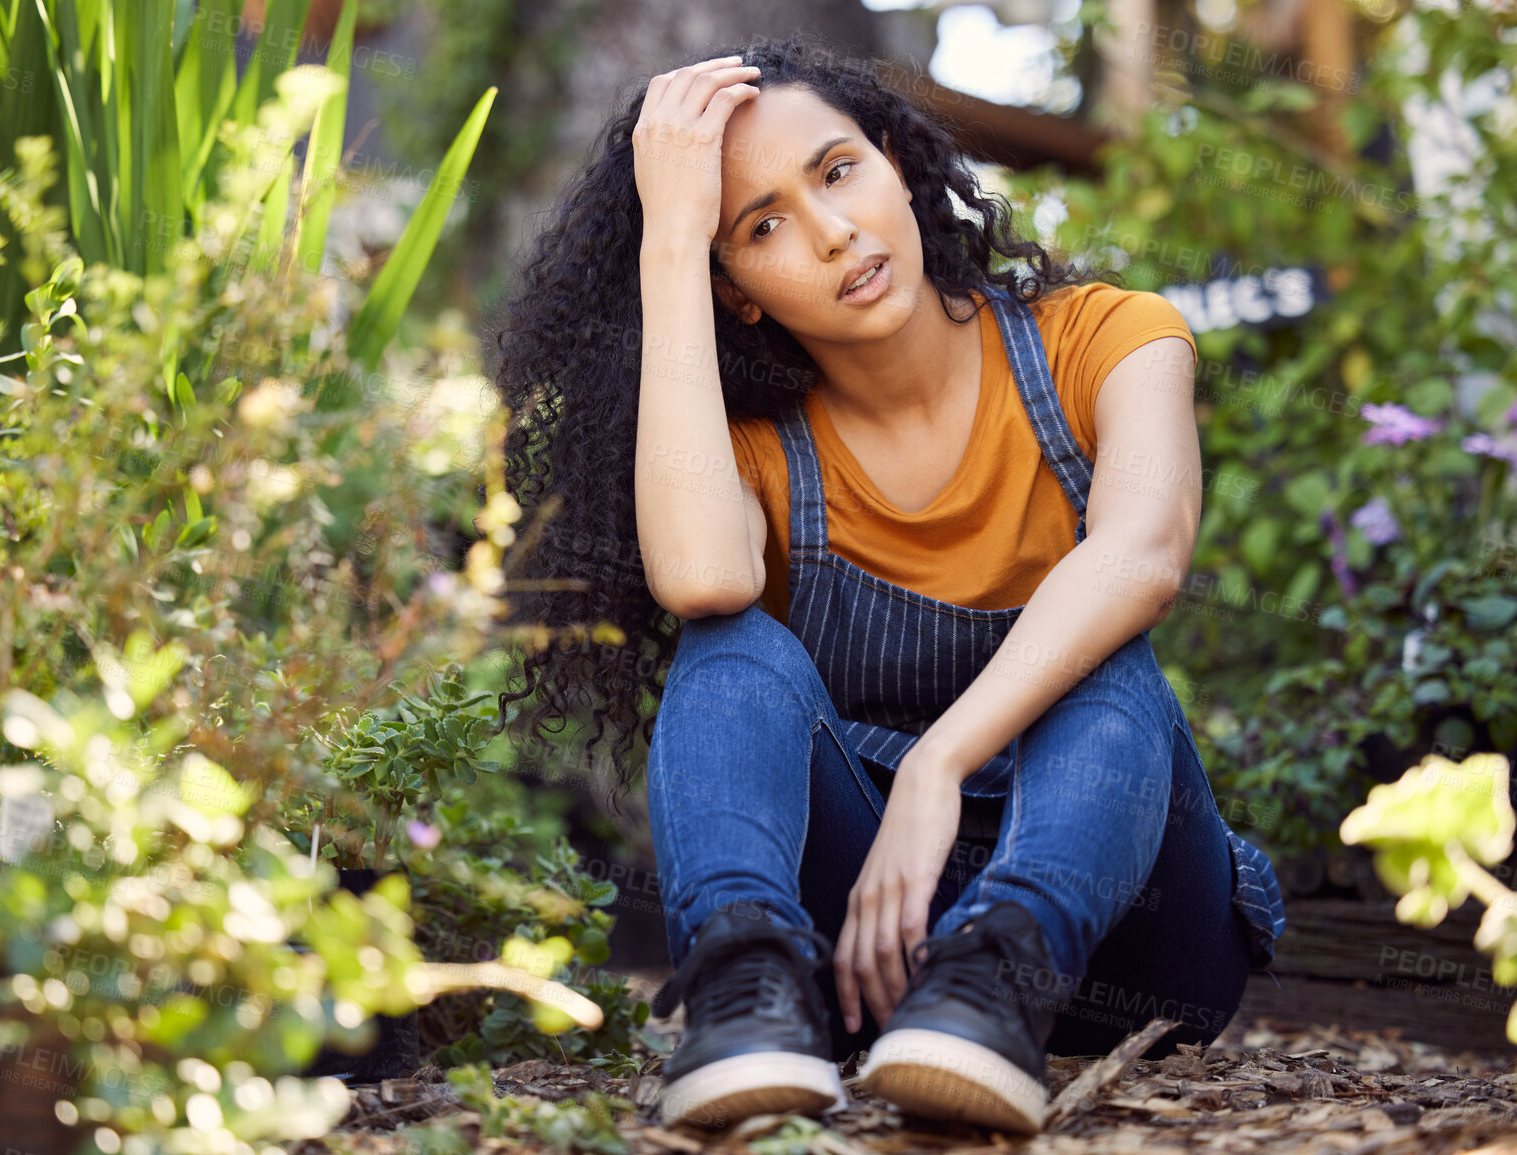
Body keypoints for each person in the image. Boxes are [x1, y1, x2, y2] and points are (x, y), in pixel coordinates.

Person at [486, 29, 1285, 1137]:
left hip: (1130, 950)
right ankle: (744, 988)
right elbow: (703, 577)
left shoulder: (1105, 338)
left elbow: (1144, 555)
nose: (832, 233)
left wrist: (939, 769)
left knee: (1108, 648)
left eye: (837, 171)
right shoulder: (759, 452)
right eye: (760, 227)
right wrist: (669, 242)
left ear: (900, 165)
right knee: (726, 643)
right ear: (738, 290)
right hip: (864, 952)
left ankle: (1001, 971)